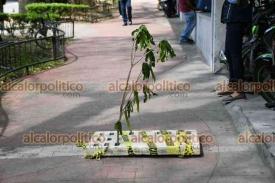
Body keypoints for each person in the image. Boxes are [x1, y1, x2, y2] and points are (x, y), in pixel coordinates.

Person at [219, 0, 252, 103]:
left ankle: (239, 90)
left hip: (238, 18)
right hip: (233, 18)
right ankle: (233, 86)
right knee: (229, 53)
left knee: (235, 55)